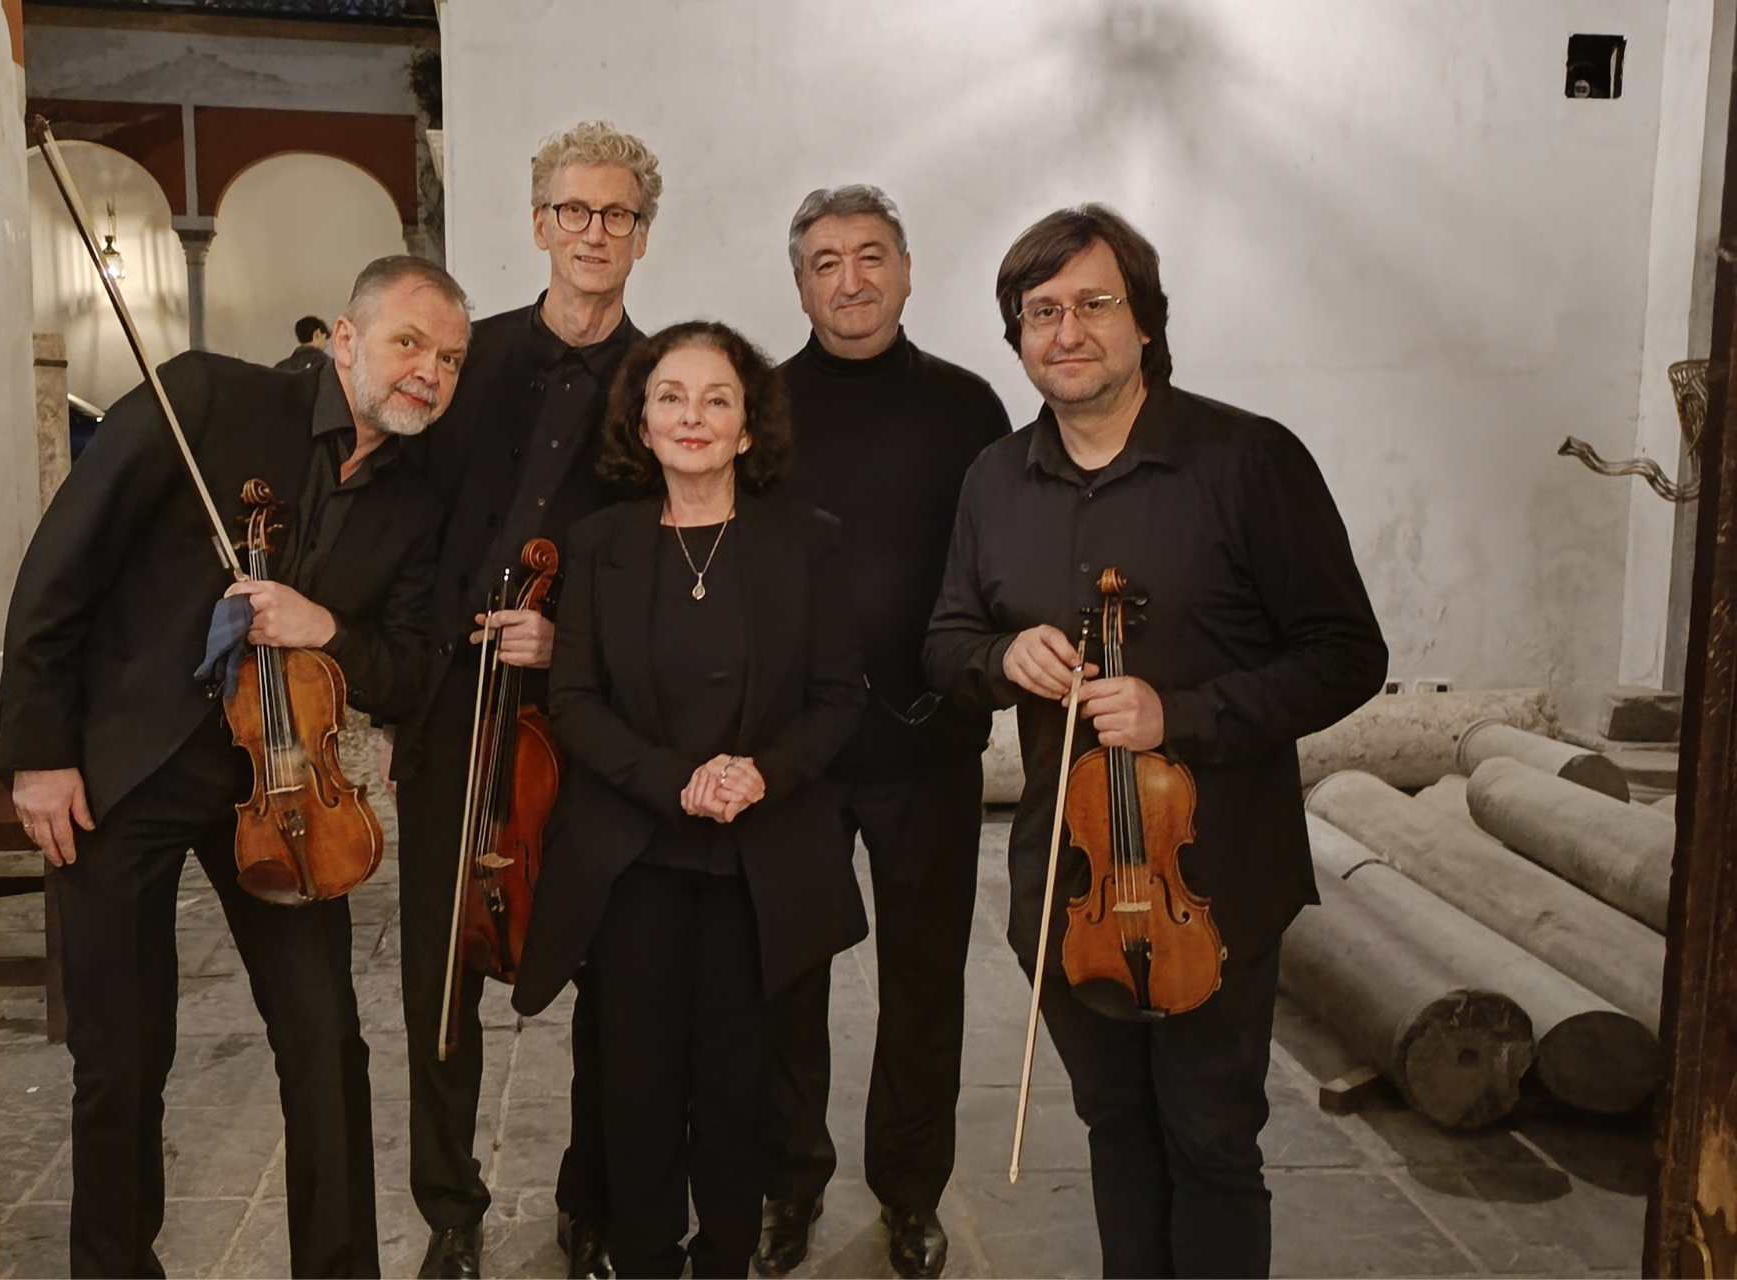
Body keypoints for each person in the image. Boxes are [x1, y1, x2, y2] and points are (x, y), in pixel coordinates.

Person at [0, 255, 471, 1278]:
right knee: (122, 1055)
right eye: (409, 342)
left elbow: (416, 663)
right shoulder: (205, 395)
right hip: (125, 764)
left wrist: (326, 623)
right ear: (344, 337)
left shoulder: (419, 498)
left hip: (285, 789)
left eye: (452, 359)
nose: (430, 371)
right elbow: (62, 563)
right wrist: (38, 754)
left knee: (326, 1042)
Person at [924, 205, 1387, 1279]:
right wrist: (1004, 659)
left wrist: (1182, 714)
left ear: (1145, 322)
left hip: (1212, 875)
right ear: (1017, 334)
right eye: (1042, 311)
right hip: (1069, 879)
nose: (1067, 330)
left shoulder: (1249, 460)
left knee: (1213, 1139)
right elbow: (946, 638)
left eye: (1094, 303)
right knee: (1115, 1126)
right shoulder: (995, 478)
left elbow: (1345, 651)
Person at [511, 320, 869, 1279]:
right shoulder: (598, 544)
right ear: (643, 419)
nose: (694, 416)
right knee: (635, 1078)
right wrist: (679, 780)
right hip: (636, 859)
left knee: (738, 1081)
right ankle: (643, 1256)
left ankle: (723, 1259)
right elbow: (575, 704)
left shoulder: (808, 543)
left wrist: (760, 772)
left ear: (749, 427)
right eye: (671, 396)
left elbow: (841, 698)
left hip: (760, 858)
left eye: (718, 398)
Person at [389, 120, 661, 1280]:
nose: (593, 232)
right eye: (574, 211)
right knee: (438, 960)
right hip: (455, 698)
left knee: (603, 960)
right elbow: (400, 511)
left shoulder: (665, 386)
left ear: (642, 235)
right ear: (539, 223)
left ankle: (589, 1198)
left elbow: (670, 560)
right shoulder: (466, 357)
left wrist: (573, 633)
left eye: (617, 215)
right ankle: (452, 1206)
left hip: (584, 712)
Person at [756, 186, 1009, 1280]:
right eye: (824, 261)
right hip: (795, 756)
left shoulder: (969, 405)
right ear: (799, 279)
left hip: (928, 745)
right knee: (784, 981)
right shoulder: (757, 404)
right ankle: (788, 1182)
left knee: (923, 982)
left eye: (869, 257)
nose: (848, 280)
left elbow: (1002, 564)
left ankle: (910, 1191)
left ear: (907, 268)